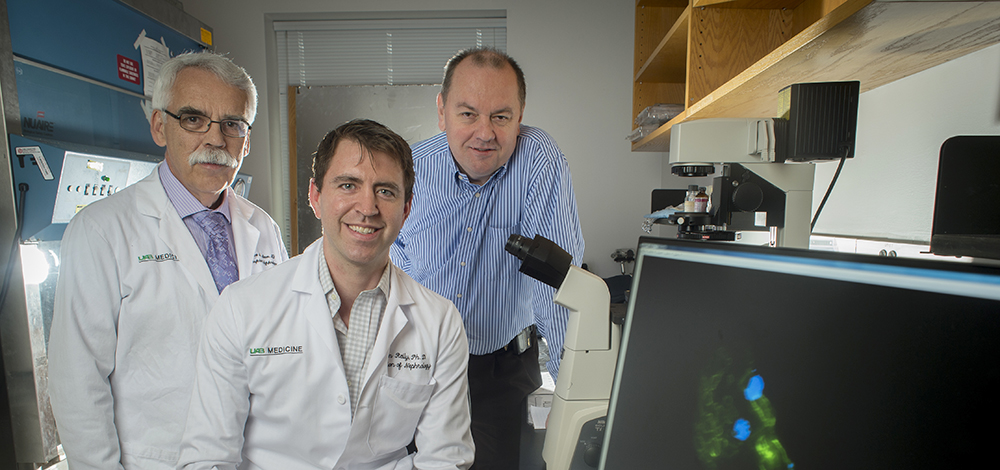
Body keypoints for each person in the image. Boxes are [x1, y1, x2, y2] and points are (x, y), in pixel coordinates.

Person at [177, 119, 474, 470]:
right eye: (348, 185)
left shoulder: (439, 322)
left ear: (406, 208)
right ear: (315, 197)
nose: (367, 207)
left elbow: (444, 459)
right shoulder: (241, 308)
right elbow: (208, 457)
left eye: (385, 191)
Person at [47, 51, 288, 470]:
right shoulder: (102, 230)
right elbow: (77, 381)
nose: (215, 140)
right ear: (160, 126)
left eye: (232, 124)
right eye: (194, 119)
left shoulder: (262, 228)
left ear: (246, 141)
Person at [390, 47, 585, 469]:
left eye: (500, 116)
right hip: (416, 365)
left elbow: (552, 278)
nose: (485, 133)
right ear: (442, 111)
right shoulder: (409, 169)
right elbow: (389, 264)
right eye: (467, 114)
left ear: (520, 114)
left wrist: (578, 378)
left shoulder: (538, 161)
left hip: (502, 371)